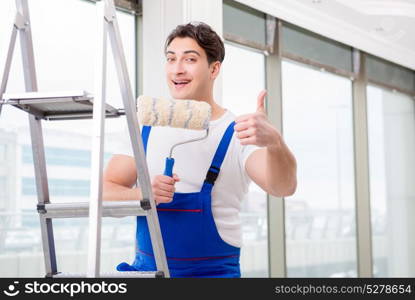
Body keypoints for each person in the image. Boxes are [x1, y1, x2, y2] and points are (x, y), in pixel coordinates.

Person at [103, 22, 297, 278]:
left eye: (190, 59)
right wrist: (144, 193)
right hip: (147, 275)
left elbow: (282, 187)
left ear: (214, 68)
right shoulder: (145, 127)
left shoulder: (237, 132)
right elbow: (104, 192)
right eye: (171, 59)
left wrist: (274, 142)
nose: (177, 69)